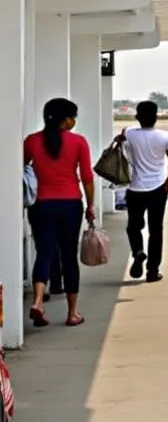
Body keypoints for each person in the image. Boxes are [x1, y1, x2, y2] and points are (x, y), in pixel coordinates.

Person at [22, 98, 95, 328]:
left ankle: (38, 303)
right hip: (70, 204)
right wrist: (91, 205)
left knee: (44, 253)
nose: (74, 121)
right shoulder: (78, 142)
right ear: (65, 120)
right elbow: (87, 178)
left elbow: (21, 170)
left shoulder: (32, 142)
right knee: (68, 256)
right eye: (73, 117)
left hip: (41, 205)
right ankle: (72, 313)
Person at [123, 100, 168, 283]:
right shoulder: (164, 136)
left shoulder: (129, 134)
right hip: (158, 188)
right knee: (156, 229)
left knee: (133, 226)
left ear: (137, 117)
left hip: (135, 188)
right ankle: (152, 270)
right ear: (156, 117)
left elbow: (119, 143)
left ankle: (138, 251)